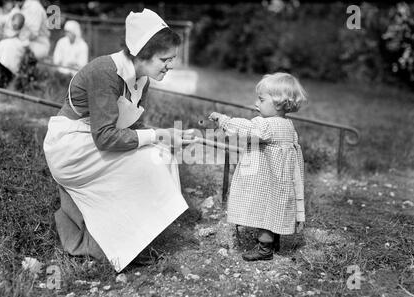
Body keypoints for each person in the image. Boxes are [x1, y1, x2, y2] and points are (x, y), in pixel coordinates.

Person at [43, 9, 195, 272]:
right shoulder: (104, 71)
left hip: (94, 143)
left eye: (172, 59)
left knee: (161, 156)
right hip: (71, 148)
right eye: (165, 59)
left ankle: (133, 237)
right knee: (148, 162)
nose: (170, 65)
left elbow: (134, 128)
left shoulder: (142, 80)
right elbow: (104, 137)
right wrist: (159, 135)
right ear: (142, 53)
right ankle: (117, 240)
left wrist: (169, 137)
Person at [209, 72, 307, 261]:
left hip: (267, 179)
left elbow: (244, 128)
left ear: (279, 103)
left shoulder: (266, 125)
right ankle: (274, 243)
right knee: (275, 210)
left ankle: (264, 249)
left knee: (264, 209)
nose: (256, 103)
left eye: (261, 99)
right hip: (281, 179)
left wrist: (223, 120)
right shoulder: (288, 124)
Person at [0, 12, 27, 87]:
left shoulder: (22, 34)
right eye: (15, 25)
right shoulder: (5, 23)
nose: (15, 27)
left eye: (18, 26)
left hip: (8, 59)